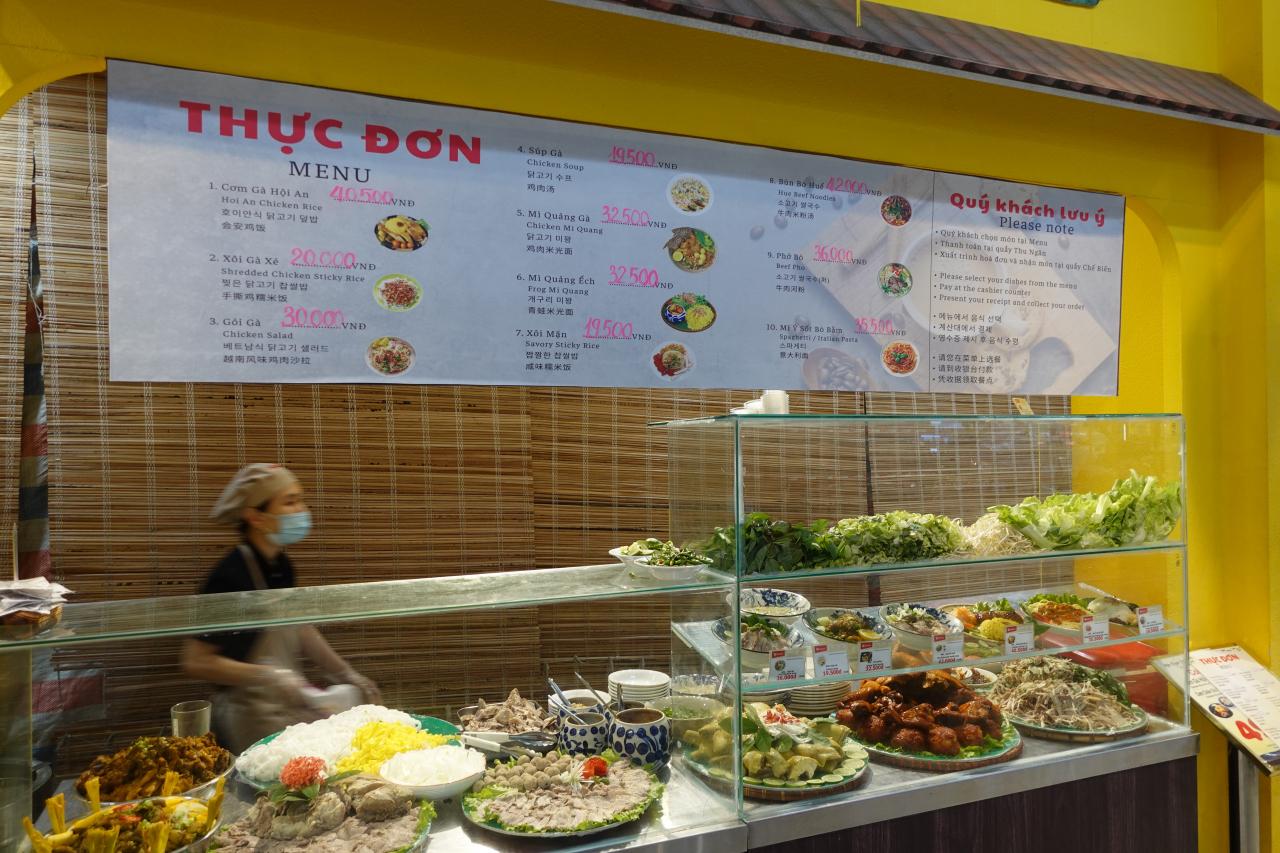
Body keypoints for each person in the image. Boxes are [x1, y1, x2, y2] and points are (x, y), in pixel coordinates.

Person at [181, 463, 381, 751]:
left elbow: (299, 627)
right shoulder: (229, 577)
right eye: (290, 502)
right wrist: (268, 676)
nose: (302, 509)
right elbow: (196, 661)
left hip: (286, 707)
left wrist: (345, 673)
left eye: (300, 499)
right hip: (247, 717)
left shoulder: (281, 565)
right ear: (256, 517)